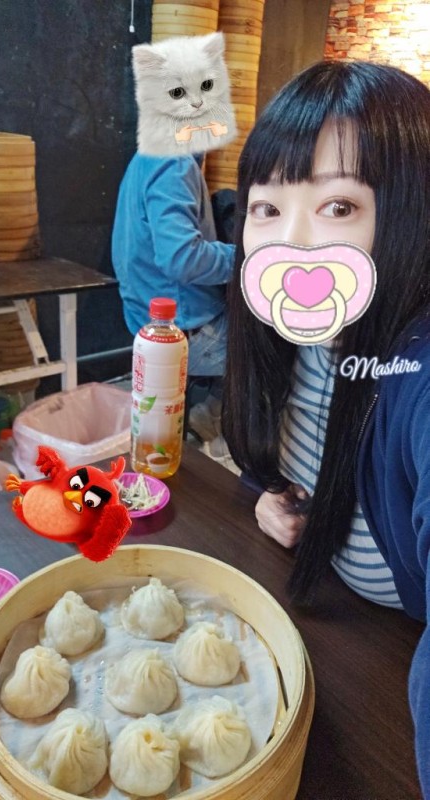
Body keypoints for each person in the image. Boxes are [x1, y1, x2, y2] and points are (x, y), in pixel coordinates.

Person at [222, 61, 430, 796]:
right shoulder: (291, 332)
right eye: (266, 208)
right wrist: (265, 494)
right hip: (321, 627)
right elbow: (268, 457)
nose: (291, 244)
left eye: (338, 206)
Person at [112, 151, 235, 442]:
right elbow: (182, 258)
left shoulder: (147, 156)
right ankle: (219, 427)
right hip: (180, 332)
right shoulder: (173, 162)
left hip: (145, 321)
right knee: (285, 334)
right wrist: (252, 259)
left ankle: (206, 420)